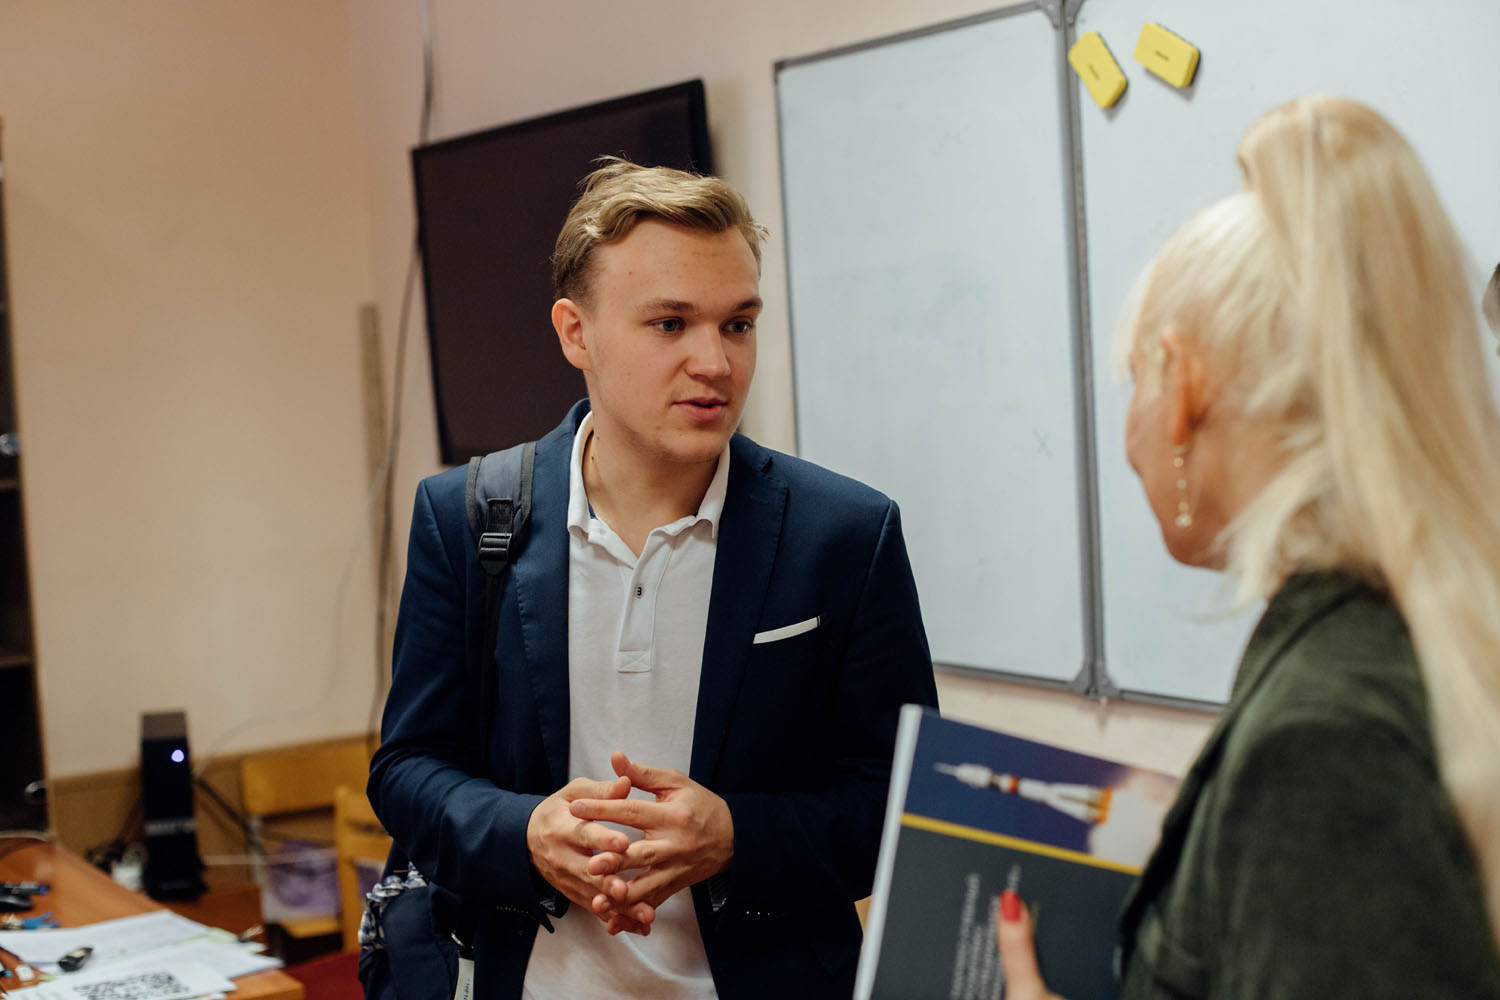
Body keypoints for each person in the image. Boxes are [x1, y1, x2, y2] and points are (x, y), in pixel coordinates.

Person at [368, 159, 938, 999]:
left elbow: (901, 805)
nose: (715, 361)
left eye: (738, 324)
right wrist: (526, 831)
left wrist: (736, 834)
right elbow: (409, 768)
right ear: (576, 333)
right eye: (671, 324)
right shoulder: (464, 517)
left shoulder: (845, 534)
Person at [999, 96, 1500, 997]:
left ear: (1186, 385)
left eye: (1135, 379)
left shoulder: (1322, 739)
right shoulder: (1408, 634)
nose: (1129, 434)